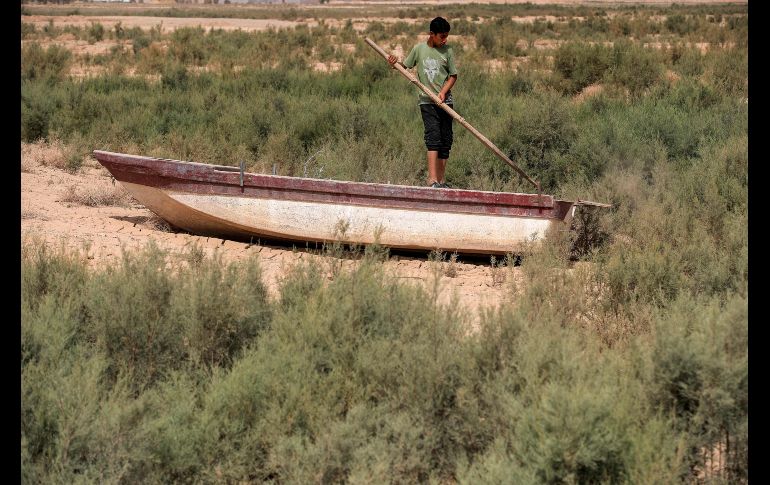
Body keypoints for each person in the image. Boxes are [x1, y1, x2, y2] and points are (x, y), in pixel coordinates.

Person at [388, 16, 458, 188]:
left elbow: (453, 76)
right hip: (427, 102)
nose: (445, 40)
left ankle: (442, 181)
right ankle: (432, 180)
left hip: (445, 102)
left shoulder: (448, 51)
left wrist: (442, 92)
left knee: (446, 139)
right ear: (431, 34)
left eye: (446, 36)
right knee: (433, 137)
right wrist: (393, 63)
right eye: (442, 36)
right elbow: (404, 67)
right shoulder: (419, 49)